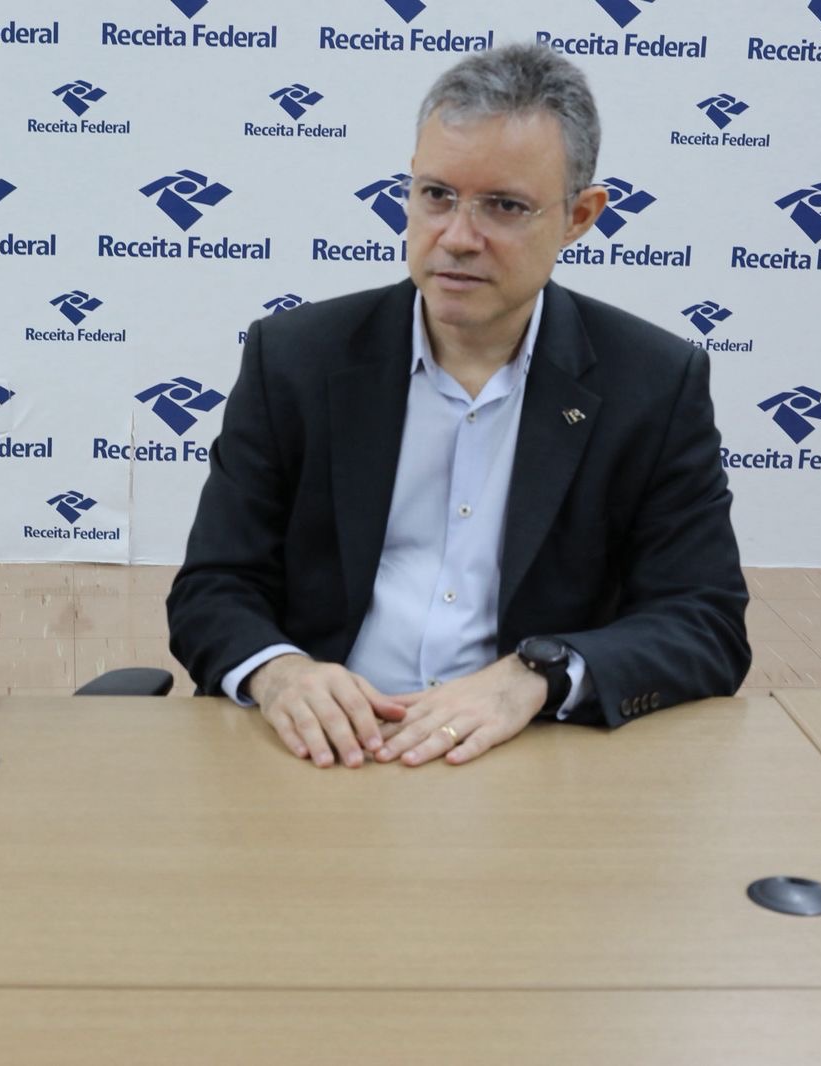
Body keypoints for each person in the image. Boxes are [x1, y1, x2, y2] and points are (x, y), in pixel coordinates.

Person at [167, 44, 750, 771]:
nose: (458, 237)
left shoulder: (654, 384)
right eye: (436, 195)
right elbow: (213, 587)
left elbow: (704, 621)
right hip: (322, 752)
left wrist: (537, 676)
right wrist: (282, 674)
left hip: (525, 757)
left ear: (579, 216)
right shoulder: (294, 358)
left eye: (504, 206)